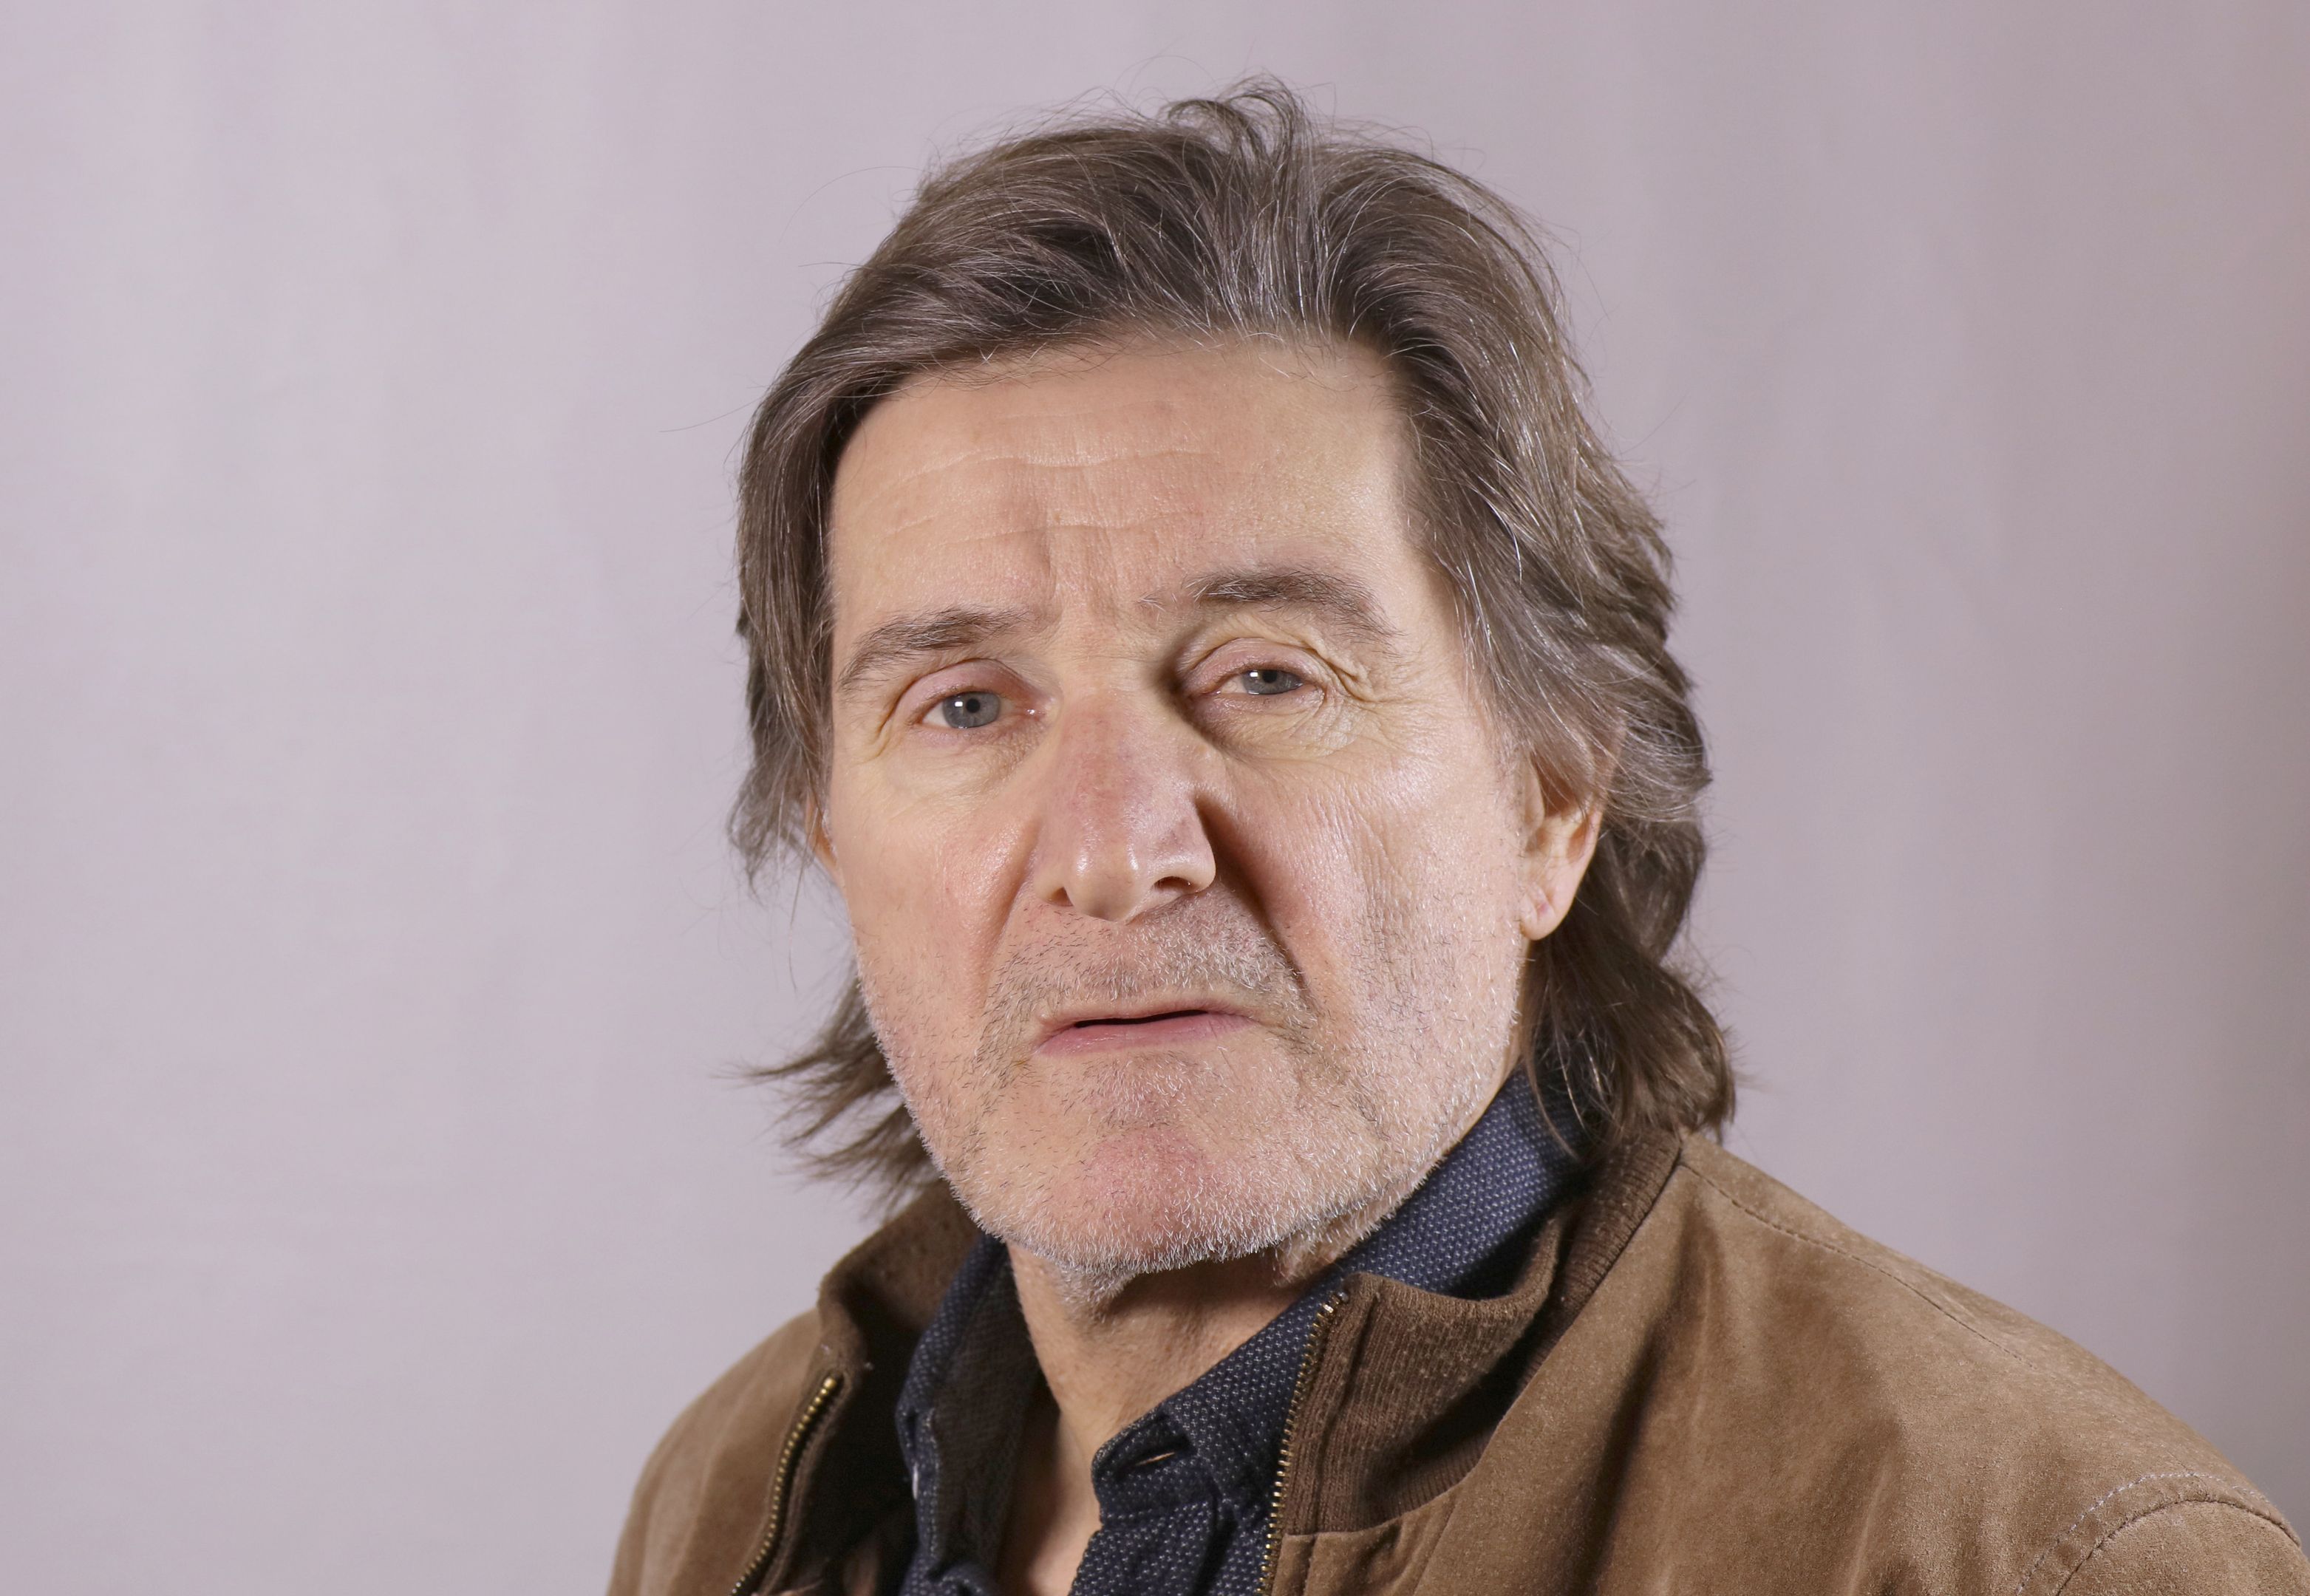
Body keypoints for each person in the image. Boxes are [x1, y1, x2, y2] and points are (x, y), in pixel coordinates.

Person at [609, 83, 2308, 1596]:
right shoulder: (739, 1496)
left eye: (1266, 677)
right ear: (828, 833)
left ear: (1553, 798)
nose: (1116, 855)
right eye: (967, 704)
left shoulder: (2020, 1554)